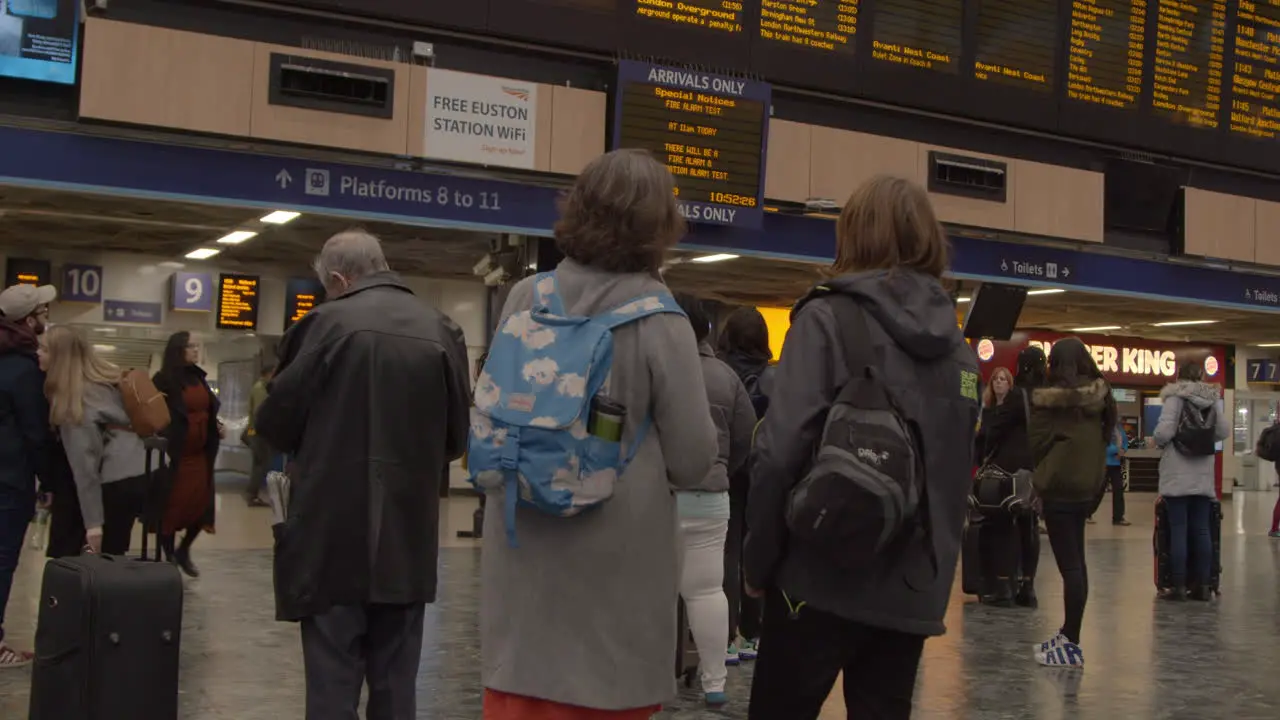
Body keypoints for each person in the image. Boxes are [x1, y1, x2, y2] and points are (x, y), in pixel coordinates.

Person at [479, 149, 717, 720]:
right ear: (658, 225)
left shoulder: (524, 297)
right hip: (615, 574)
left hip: (523, 549)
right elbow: (692, 461)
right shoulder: (661, 319)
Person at [744, 175, 979, 719]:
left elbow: (779, 452)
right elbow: (951, 475)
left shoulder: (826, 319)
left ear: (852, 235)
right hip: (910, 589)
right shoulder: (958, 349)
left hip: (815, 575)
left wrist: (758, 563)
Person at [256, 230, 472, 720]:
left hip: (329, 533)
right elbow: (457, 440)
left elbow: (276, 422)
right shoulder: (442, 330)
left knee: (332, 680)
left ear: (337, 278)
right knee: (397, 684)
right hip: (407, 534)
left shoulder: (323, 325)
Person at [672, 293, 756, 706]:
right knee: (707, 591)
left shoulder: (658, 370)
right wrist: (720, 468)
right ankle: (714, 683)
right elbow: (745, 439)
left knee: (653, 592)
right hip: (710, 498)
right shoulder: (726, 377)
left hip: (661, 498)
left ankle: (649, 680)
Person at [1028, 337, 1115, 669]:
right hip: (1086, 490)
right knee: (1077, 562)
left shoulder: (1052, 402)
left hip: (1059, 488)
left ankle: (1072, 643)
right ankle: (1068, 633)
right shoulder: (1101, 398)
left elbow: (1034, 442)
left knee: (1070, 568)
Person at [42, 326, 148, 557]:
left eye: (44, 349)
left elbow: (85, 465)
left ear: (60, 358)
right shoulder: (105, 383)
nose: (37, 354)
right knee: (113, 558)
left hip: (111, 486)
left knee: (91, 565)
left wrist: (93, 524)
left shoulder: (75, 401)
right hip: (135, 475)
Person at [0, 282, 54, 669]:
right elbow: (35, 432)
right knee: (2, 561)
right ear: (29, 319)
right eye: (44, 312)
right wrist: (48, 480)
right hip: (10, 478)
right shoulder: (23, 368)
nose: (47, 317)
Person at [717, 307, 774, 660]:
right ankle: (755, 632)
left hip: (724, 469)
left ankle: (727, 634)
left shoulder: (718, 374)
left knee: (726, 550)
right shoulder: (775, 378)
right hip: (763, 471)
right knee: (757, 547)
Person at [1153, 359, 1229, 601]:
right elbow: (1223, 431)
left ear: (1179, 376)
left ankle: (1178, 586)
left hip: (1177, 471)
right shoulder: (1212, 400)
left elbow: (1164, 432)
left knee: (1178, 530)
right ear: (1201, 378)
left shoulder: (1175, 399)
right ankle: (1204, 586)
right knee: (1202, 530)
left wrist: (1158, 440)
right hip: (1203, 473)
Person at [154, 331, 221, 578]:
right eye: (190, 346)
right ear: (178, 349)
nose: (195, 350)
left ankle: (184, 550)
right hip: (177, 455)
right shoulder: (164, 379)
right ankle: (169, 552)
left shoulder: (199, 378)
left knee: (200, 506)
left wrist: (216, 426)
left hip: (201, 454)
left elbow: (209, 409)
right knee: (173, 507)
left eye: (197, 346)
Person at [973, 365, 1037, 608]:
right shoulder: (1016, 406)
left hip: (1006, 475)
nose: (999, 383)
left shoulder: (1004, 410)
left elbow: (988, 439)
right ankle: (1024, 585)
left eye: (1004, 379)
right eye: (996, 379)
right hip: (1021, 472)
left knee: (1004, 527)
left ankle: (1003, 586)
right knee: (1025, 527)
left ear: (1011, 383)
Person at [243, 364, 274, 507]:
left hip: (253, 431)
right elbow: (261, 413)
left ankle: (251, 494)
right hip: (258, 432)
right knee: (262, 463)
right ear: (267, 374)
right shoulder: (260, 389)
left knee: (258, 463)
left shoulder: (258, 387)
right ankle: (252, 494)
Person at [1093, 423, 1130, 526]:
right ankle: (1088, 513)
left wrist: (1123, 450)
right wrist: (1115, 450)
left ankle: (1118, 517)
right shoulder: (1103, 428)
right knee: (1099, 489)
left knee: (1118, 489)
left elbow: (1125, 442)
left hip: (1116, 464)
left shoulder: (1119, 429)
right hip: (1104, 463)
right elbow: (1101, 444)